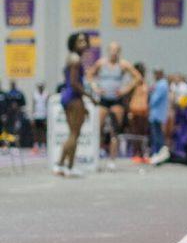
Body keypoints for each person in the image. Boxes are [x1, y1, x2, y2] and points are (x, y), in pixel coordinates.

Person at [85, 41, 141, 170]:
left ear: (119, 52)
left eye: (116, 50)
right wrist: (95, 87)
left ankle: (112, 160)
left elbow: (137, 77)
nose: (113, 52)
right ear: (108, 51)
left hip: (117, 100)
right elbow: (89, 75)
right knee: (98, 128)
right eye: (111, 50)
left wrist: (125, 89)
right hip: (103, 99)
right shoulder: (101, 63)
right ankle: (95, 158)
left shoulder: (123, 64)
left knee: (114, 131)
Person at [54, 31, 96, 177]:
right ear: (73, 43)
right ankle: (65, 165)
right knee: (74, 134)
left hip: (68, 96)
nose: (83, 44)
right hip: (73, 97)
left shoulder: (71, 58)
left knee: (73, 133)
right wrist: (90, 97)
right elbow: (74, 83)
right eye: (80, 41)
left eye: (85, 41)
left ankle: (63, 166)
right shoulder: (76, 59)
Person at [149, 68, 169, 154]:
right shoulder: (160, 84)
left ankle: (159, 153)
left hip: (157, 114)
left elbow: (154, 100)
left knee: (157, 135)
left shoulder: (162, 85)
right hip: (156, 114)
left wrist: (150, 95)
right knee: (157, 134)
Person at [31, 82, 48, 151]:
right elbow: (33, 105)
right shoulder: (35, 94)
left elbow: (47, 105)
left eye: (41, 87)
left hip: (44, 115)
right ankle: (36, 144)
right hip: (37, 115)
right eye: (39, 87)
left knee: (43, 131)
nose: (40, 88)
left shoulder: (46, 94)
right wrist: (32, 116)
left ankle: (43, 144)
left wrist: (47, 116)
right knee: (36, 131)